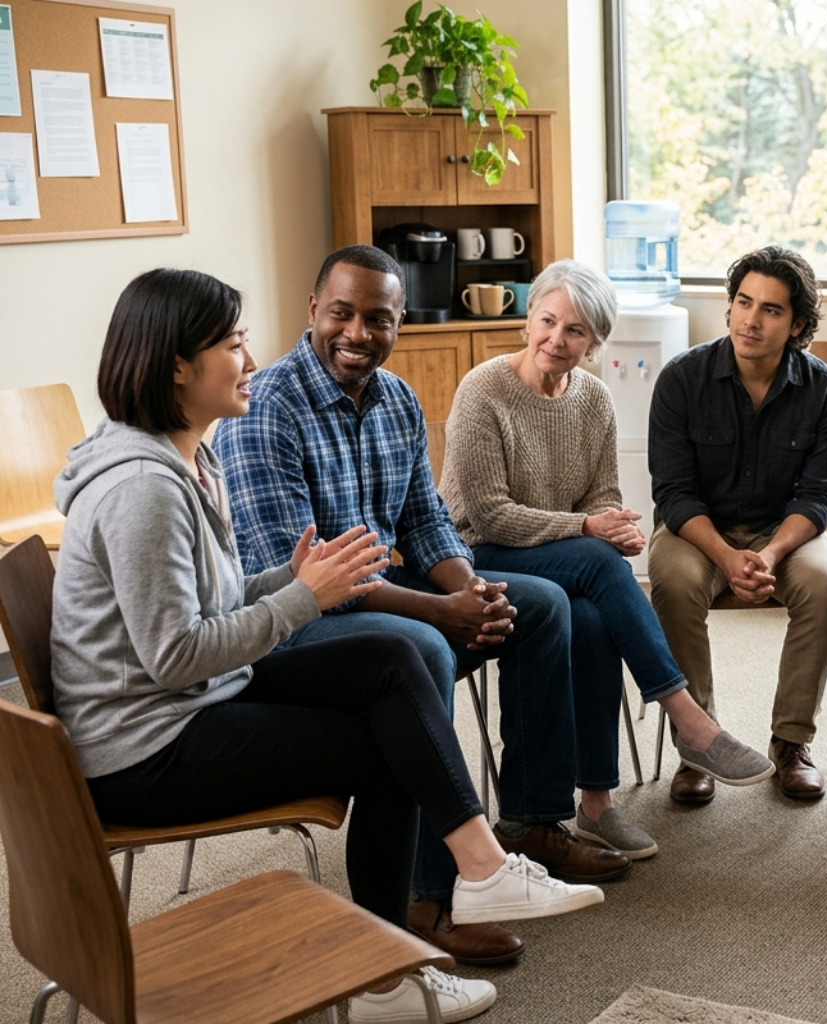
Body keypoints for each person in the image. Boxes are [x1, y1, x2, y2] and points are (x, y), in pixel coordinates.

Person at [52, 269, 607, 1024]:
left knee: (390, 667)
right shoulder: (142, 489)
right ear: (178, 365)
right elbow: (174, 654)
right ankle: (386, 975)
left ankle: (472, 873)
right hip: (146, 749)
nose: (249, 361)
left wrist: (294, 575)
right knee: (389, 739)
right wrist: (302, 597)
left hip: (191, 706)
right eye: (234, 345)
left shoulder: (187, 458)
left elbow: (212, 603)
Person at [211, 245, 625, 968]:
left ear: (399, 324)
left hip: (381, 594)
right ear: (314, 310)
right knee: (423, 649)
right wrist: (441, 613)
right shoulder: (266, 409)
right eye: (342, 313)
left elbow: (426, 522)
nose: (358, 332)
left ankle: (528, 825)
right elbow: (304, 577)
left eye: (379, 319)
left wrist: (469, 589)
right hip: (294, 623)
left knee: (543, 605)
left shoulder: (398, 399)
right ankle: (426, 900)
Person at [441, 260, 771, 856]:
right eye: (548, 321)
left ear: (594, 342)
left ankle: (596, 805)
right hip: (475, 555)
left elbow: (602, 498)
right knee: (597, 565)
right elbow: (488, 515)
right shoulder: (483, 389)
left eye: (576, 331)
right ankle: (687, 716)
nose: (557, 339)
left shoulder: (592, 399)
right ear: (528, 320)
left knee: (593, 617)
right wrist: (589, 530)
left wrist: (613, 527)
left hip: (559, 558)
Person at [647, 245, 827, 803]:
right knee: (676, 582)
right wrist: (727, 557)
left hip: (784, 532)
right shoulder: (682, 379)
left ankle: (791, 743)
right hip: (697, 531)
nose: (750, 320)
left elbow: (818, 496)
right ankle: (699, 743)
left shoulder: (824, 389)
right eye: (742, 302)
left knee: (824, 584)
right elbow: (674, 494)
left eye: (771, 310)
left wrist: (774, 554)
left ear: (798, 324)